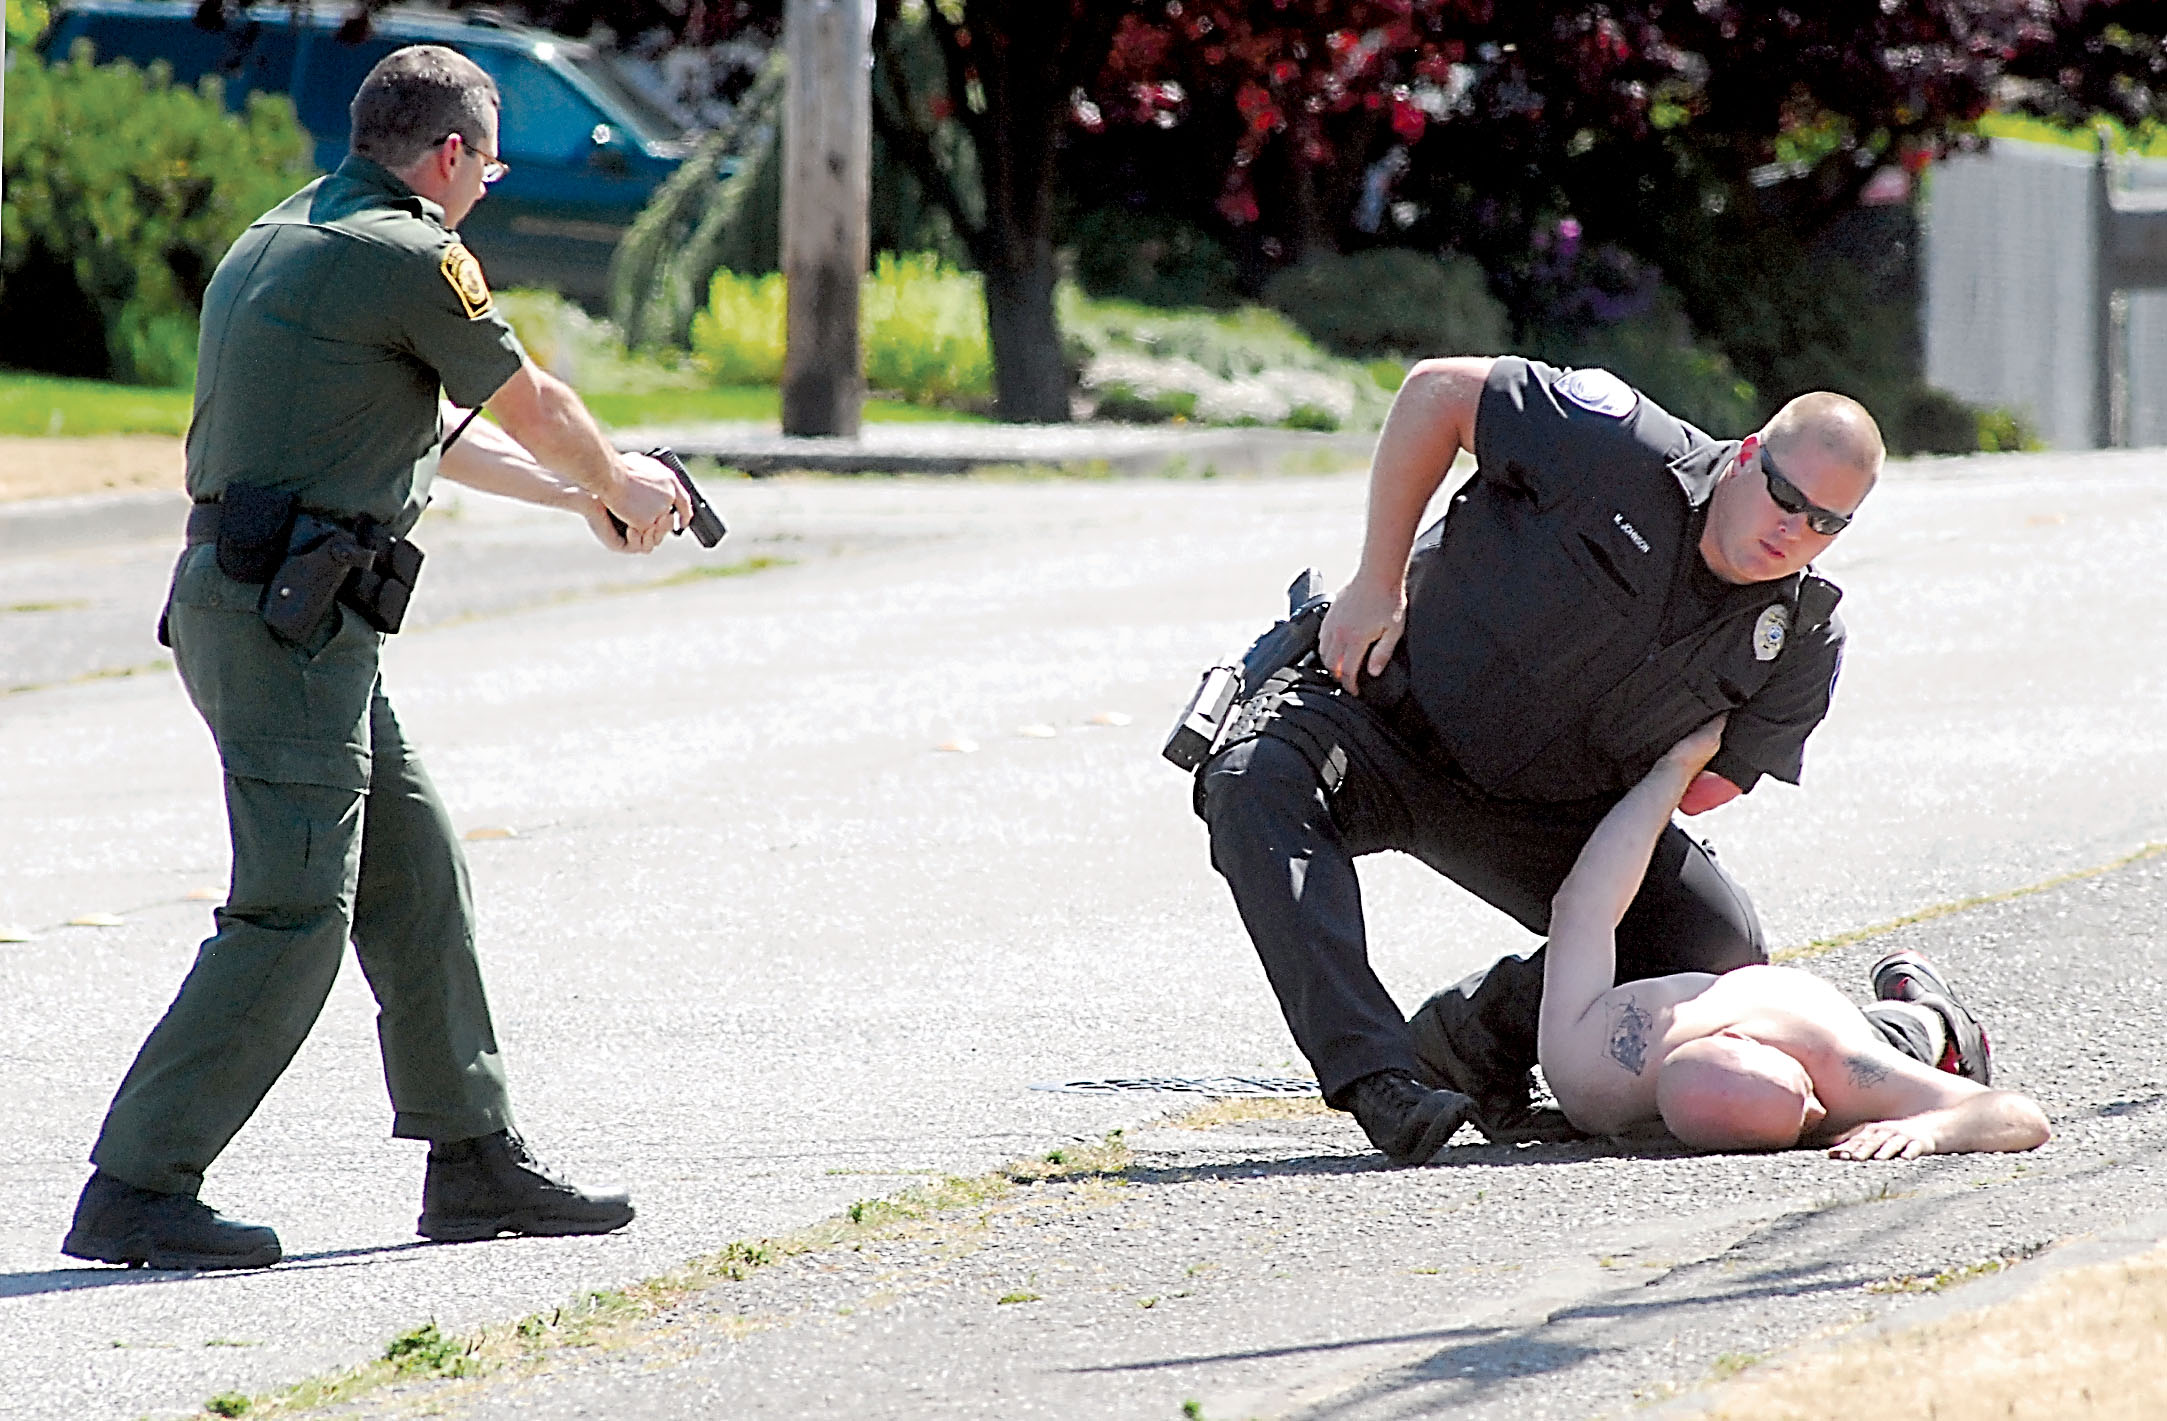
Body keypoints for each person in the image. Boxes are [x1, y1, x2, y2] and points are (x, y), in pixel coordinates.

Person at [62, 44, 692, 1271]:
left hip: (282, 615)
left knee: (416, 873)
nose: (486, 191)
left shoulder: (288, 234)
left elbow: (426, 437)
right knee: (294, 908)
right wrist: (623, 480)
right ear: (450, 154)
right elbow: (537, 405)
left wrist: (583, 506)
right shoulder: (409, 254)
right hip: (285, 624)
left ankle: (473, 1157)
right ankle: (136, 1179)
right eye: (491, 169)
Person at [1200, 355, 1883, 1165]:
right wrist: (1375, 583)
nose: (1791, 529)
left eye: (1823, 523)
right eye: (1783, 494)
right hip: (1385, 713)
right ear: (1745, 453)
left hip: (1545, 812)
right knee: (1251, 786)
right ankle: (1377, 1075)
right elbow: (1436, 394)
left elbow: (1705, 789)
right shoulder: (1618, 445)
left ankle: (1473, 1038)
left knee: (1711, 950)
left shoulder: (1800, 634)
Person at [1538, 719, 2050, 1158]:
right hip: (1854, 1037)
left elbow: (1585, 909)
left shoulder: (1589, 1071)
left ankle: (1930, 1014)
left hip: (1808, 1020)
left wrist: (1672, 772)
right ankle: (1936, 1018)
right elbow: (2018, 1116)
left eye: (1804, 1115)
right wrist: (1928, 1129)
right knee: (1900, 1046)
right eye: (1811, 1119)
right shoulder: (1848, 1075)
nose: (1817, 1112)